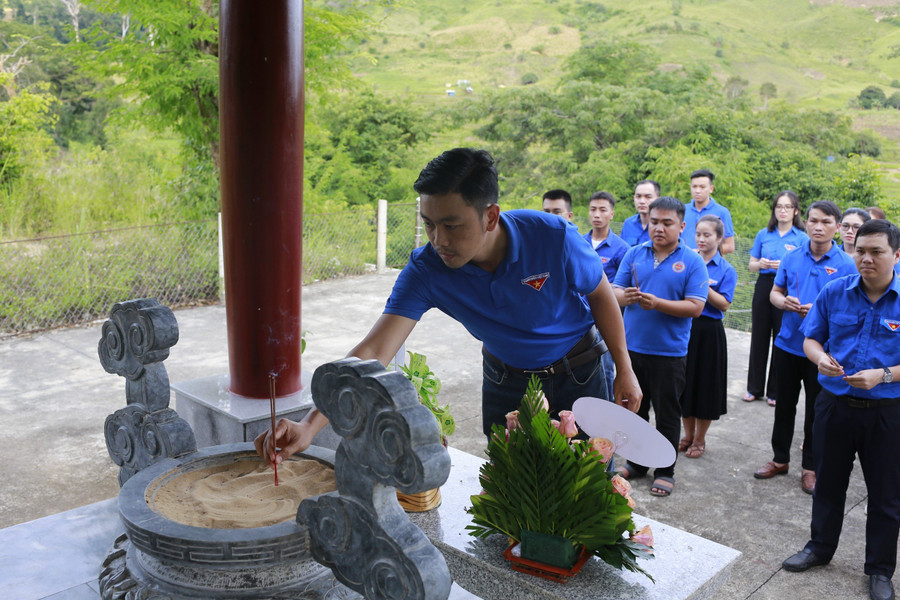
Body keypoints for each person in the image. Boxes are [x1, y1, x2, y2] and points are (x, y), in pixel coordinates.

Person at [255, 148, 642, 464]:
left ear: (490, 216)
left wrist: (625, 368)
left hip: (579, 371)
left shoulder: (552, 238)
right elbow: (373, 352)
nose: (439, 240)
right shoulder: (427, 269)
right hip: (507, 382)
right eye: (429, 224)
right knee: (516, 489)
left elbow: (600, 294)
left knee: (589, 485)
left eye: (452, 226)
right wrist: (309, 425)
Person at [781, 219, 900, 600]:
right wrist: (820, 359)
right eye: (860, 250)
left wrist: (882, 376)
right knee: (828, 483)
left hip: (887, 412)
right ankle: (819, 548)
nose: (865, 258)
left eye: (876, 251)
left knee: (885, 495)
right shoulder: (835, 291)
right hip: (833, 405)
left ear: (896, 255)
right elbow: (811, 339)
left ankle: (880, 570)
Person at [753, 201, 857, 495]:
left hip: (823, 352)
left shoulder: (848, 265)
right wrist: (782, 302)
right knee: (783, 406)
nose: (818, 226)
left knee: (817, 411)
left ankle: (810, 467)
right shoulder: (792, 256)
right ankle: (779, 459)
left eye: (825, 221)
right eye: (813, 221)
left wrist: (820, 312)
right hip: (787, 344)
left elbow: (852, 310)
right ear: (806, 222)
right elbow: (775, 291)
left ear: (837, 226)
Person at [612, 196, 709, 497]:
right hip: (633, 350)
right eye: (654, 222)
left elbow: (695, 306)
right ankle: (638, 464)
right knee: (635, 412)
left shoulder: (692, 261)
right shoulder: (634, 254)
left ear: (681, 226)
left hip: (669, 354)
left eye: (667, 223)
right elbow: (614, 291)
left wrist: (658, 304)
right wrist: (623, 297)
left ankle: (666, 470)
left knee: (667, 414)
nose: (659, 228)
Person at [679, 215, 737, 459]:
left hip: (710, 333)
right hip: (685, 327)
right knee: (685, 384)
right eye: (698, 234)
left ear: (719, 238)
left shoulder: (726, 269)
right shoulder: (686, 260)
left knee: (706, 387)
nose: (702, 239)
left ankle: (699, 440)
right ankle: (687, 435)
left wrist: (702, 282)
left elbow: (723, 304)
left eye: (708, 235)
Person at [744, 191, 809, 407]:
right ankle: (754, 388)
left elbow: (804, 266)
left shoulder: (801, 237)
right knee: (759, 337)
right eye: (779, 206)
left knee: (780, 339)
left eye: (787, 207)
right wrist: (761, 264)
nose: (782, 210)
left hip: (787, 289)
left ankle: (774, 391)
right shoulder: (764, 233)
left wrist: (784, 265)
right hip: (764, 286)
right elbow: (751, 264)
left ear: (796, 211)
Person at [583, 191, 630, 403]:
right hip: (581, 317)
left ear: (612, 214)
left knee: (607, 365)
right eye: (593, 209)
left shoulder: (622, 248)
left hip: (606, 317)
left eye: (603, 210)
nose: (597, 214)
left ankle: (609, 405)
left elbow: (622, 289)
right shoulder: (579, 242)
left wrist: (600, 288)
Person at [682, 169, 736, 255]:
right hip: (684, 263)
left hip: (710, 265)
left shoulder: (722, 212)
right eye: (694, 186)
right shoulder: (682, 210)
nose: (698, 191)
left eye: (702, 187)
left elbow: (729, 246)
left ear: (711, 189)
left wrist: (701, 252)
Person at [621, 180, 659, 246]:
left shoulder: (663, 226)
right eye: (638, 196)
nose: (642, 201)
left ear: (658, 199)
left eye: (648, 197)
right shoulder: (628, 223)